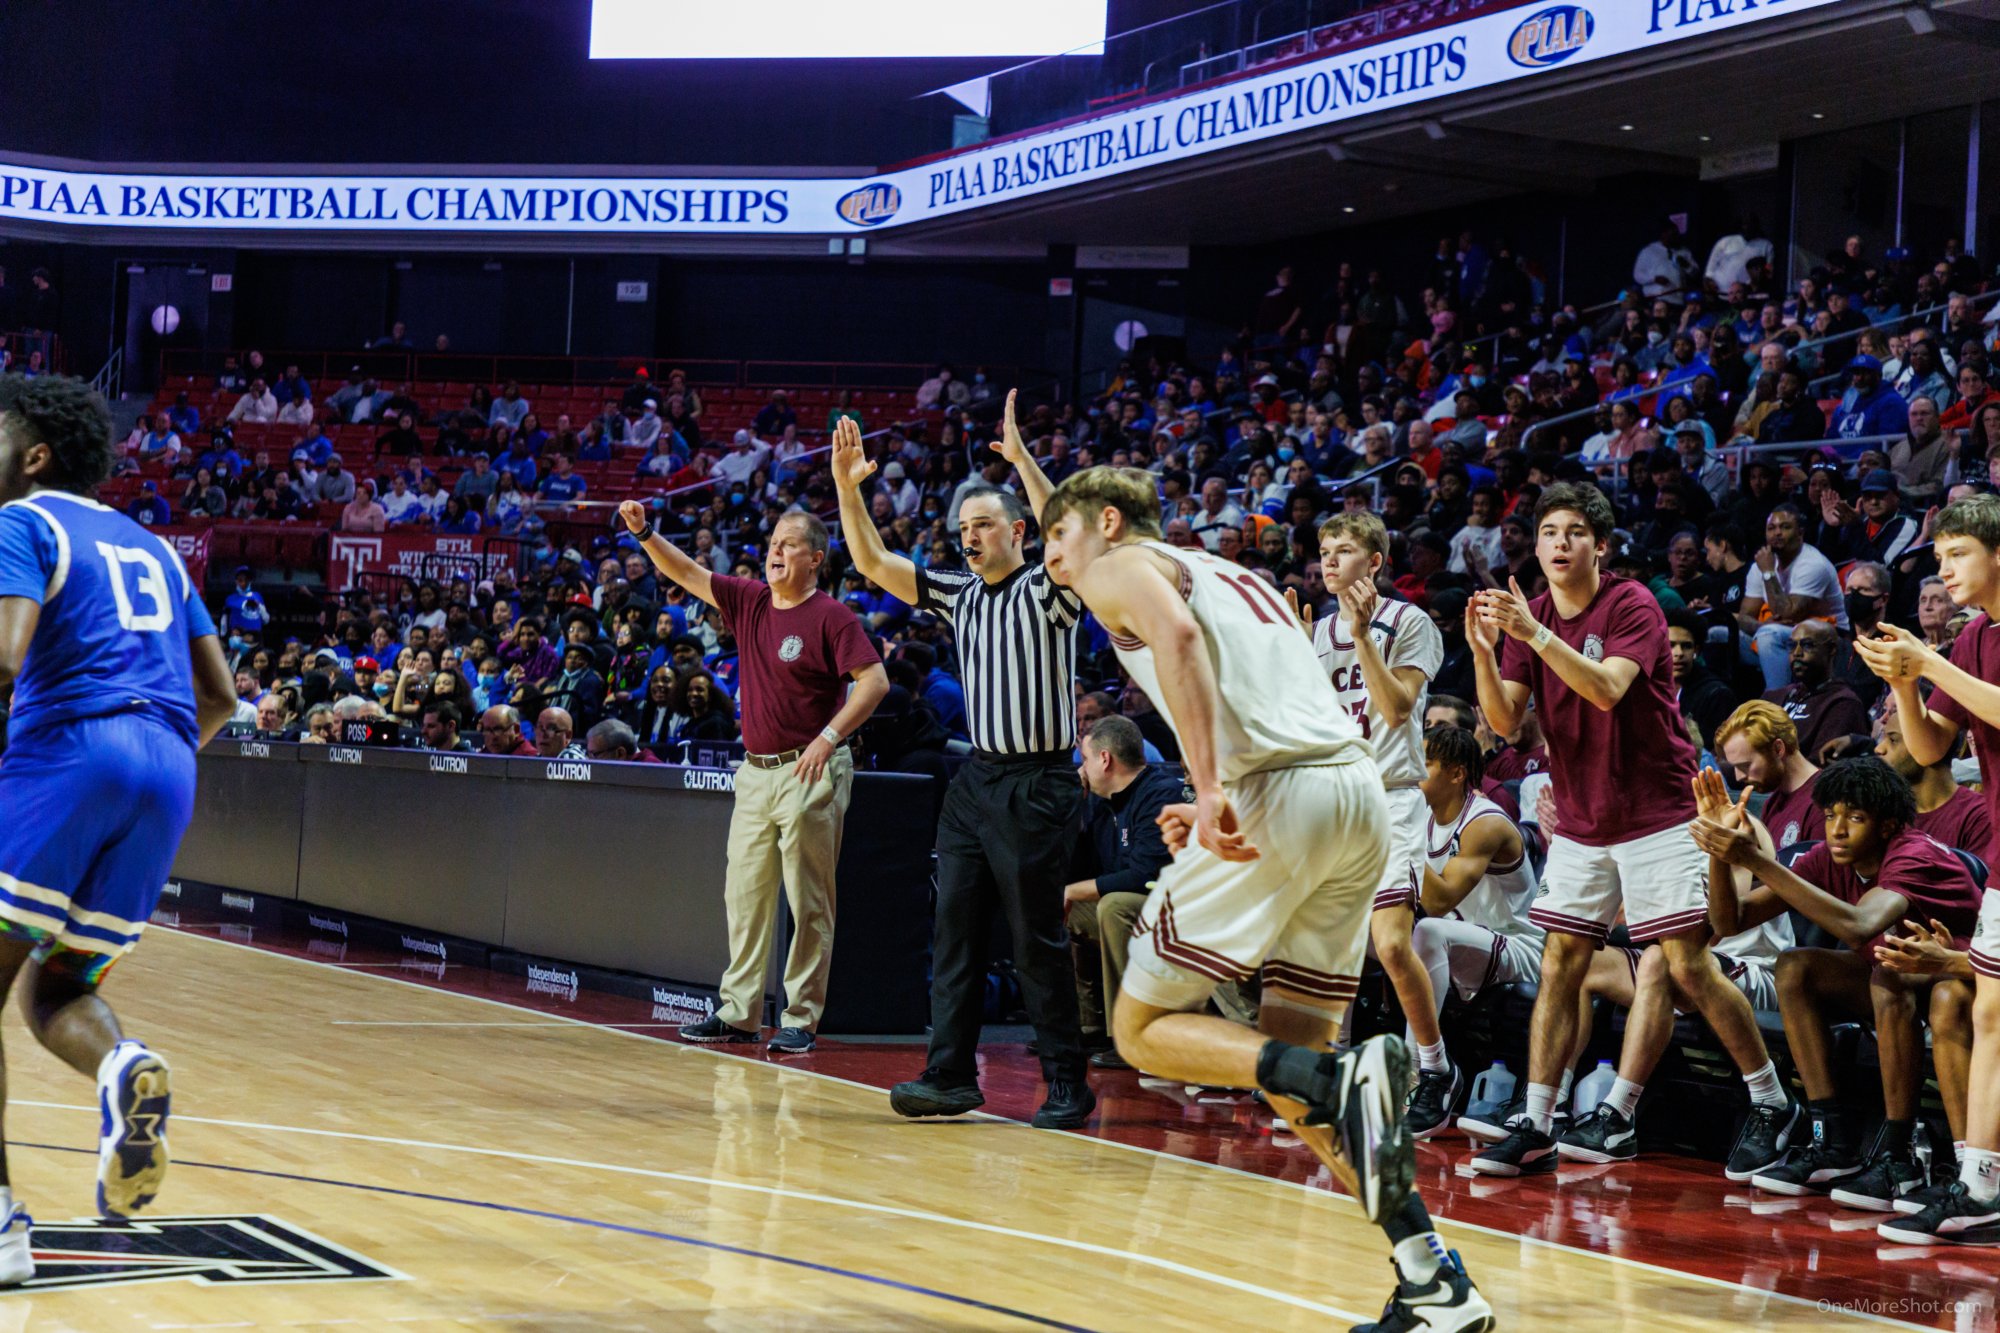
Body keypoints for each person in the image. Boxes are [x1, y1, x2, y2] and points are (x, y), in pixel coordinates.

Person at [1037, 464, 1492, 1330]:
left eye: (1056, 536)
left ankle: (1343, 1072)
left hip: (1279, 793)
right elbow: (1277, 698)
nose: (1051, 555)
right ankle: (1431, 1275)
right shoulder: (1237, 575)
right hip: (1352, 795)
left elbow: (1173, 637)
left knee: (1138, 1029)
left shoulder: (1119, 563)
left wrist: (1211, 789)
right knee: (1293, 1075)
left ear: (1106, 520)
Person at [1467, 482, 1794, 1183]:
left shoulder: (1631, 604)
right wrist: (1481, 653)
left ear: (1601, 545)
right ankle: (1537, 1120)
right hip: (1585, 818)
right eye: (1549, 530)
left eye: (1575, 531)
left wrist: (1533, 633)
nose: (1559, 542)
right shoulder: (1535, 617)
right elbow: (1503, 723)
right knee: (1560, 962)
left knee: (1683, 966)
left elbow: (1607, 688)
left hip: (1657, 809)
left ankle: (1771, 1100)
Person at [0, 373, 239, 1282]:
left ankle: (0, 1231)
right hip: (170, 763)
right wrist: (146, 756)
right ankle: (121, 1065)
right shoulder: (155, 548)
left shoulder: (22, 522)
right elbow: (221, 696)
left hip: (70, 753)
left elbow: (4, 656)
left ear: (34, 454)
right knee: (55, 985)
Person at [835, 401, 1094, 1129]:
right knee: (952, 928)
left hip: (1039, 779)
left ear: (1017, 530)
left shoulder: (1050, 588)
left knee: (1035, 935)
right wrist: (849, 488)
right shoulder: (958, 593)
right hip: (977, 778)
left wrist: (1020, 463)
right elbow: (870, 562)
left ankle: (1068, 1082)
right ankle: (949, 1073)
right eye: (962, 529)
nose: (968, 537)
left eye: (982, 524)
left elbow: (1069, 538)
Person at [620, 497, 886, 1056]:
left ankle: (800, 1017)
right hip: (755, 771)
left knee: (809, 900)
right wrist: (646, 535)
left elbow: (873, 683)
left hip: (810, 768)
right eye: (772, 544)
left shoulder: (832, 616)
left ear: (816, 558)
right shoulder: (749, 600)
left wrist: (829, 737)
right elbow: (688, 572)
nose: (775, 552)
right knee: (744, 894)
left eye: (789, 544)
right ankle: (739, 1013)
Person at [1694, 758, 1983, 1205]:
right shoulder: (1829, 859)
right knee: (1796, 967)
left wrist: (1752, 858)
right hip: (1903, 980)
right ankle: (1832, 1142)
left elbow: (1859, 926)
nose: (1837, 829)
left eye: (1855, 817)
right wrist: (1720, 851)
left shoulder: (1914, 855)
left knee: (1888, 976)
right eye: (1831, 815)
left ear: (1887, 825)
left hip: (1966, 984)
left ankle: (1899, 1158)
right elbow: (1729, 921)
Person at [1295, 512, 1456, 1135]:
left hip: (1390, 797)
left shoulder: (1409, 622)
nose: (1328, 561)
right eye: (1323, 550)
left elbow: (1395, 709)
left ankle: (1435, 1068)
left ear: (1376, 562)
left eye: (1343, 550)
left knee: (1390, 943)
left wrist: (1362, 636)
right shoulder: (1315, 629)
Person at [1409, 723, 1544, 1089]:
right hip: (1464, 942)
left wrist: (1397, 840)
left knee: (1427, 931)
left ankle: (1416, 1073)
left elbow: (1437, 902)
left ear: (1456, 773)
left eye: (1425, 761)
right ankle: (1327, 1057)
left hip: (1517, 947)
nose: (1412, 768)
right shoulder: (1421, 818)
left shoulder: (1484, 823)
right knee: (1351, 929)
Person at [1063, 715, 1187, 1071]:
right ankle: (1089, 1026)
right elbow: (1076, 868)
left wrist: (1072, 890)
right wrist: (1075, 808)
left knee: (1113, 906)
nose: (1081, 769)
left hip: (1175, 909)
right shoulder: (1101, 804)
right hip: (1137, 906)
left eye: (1084, 760)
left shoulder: (1161, 794)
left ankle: (1130, 1034)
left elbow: (1144, 876)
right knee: (1054, 907)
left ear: (1104, 759)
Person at [1738, 503, 1845, 692]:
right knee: (1722, 635)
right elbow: (1744, 617)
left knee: (1769, 637)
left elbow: (1787, 612)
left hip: (1829, 636)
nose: (1777, 533)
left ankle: (1777, 703)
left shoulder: (1812, 564)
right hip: (1785, 635)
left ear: (1800, 533)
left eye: (1785, 527)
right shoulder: (1760, 566)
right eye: (1771, 528)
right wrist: (1762, 625)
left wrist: (1769, 573)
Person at [1762, 620, 1870, 761]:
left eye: (1807, 645)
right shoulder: (1774, 696)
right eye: (1793, 646)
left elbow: (1820, 766)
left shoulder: (1843, 703)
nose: (1797, 653)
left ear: (1831, 650)